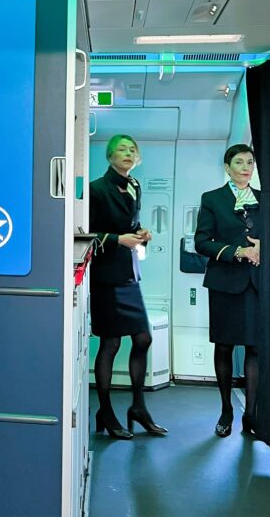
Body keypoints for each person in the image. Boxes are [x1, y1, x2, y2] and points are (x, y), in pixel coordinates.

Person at [89, 134, 168, 440]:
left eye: (132, 149)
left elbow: (129, 225)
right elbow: (85, 232)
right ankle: (105, 410)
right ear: (110, 156)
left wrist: (139, 233)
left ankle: (138, 406)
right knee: (111, 344)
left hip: (129, 274)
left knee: (143, 338)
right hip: (107, 275)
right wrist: (117, 239)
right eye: (122, 149)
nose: (128, 153)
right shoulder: (97, 189)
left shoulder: (135, 186)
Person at [195, 143, 261, 439]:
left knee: (255, 347)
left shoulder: (264, 199)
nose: (246, 167)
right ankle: (226, 409)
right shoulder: (213, 199)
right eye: (239, 162)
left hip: (255, 283)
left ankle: (251, 412)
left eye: (249, 162)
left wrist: (262, 248)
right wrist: (237, 251)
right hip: (224, 283)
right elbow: (202, 242)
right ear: (227, 166)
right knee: (223, 346)